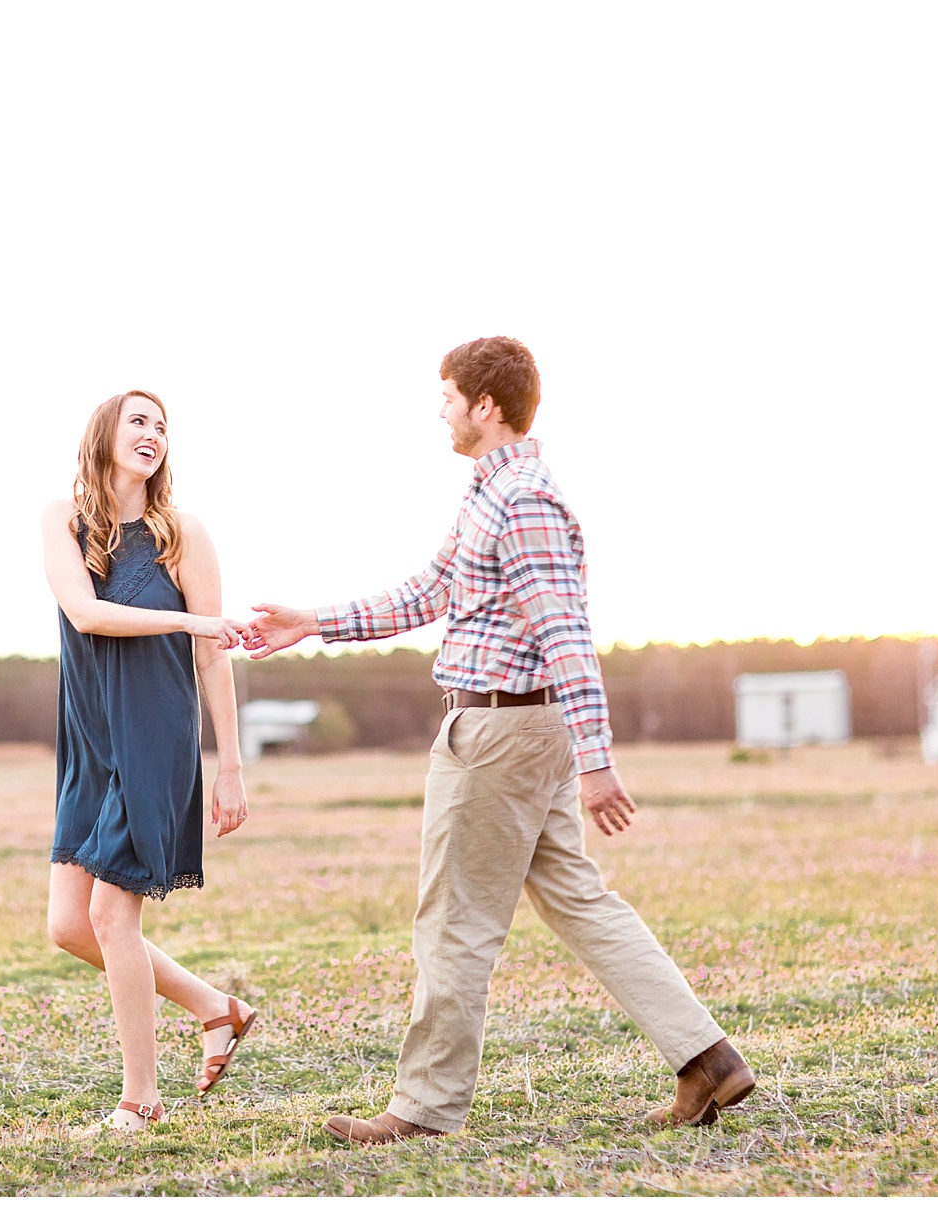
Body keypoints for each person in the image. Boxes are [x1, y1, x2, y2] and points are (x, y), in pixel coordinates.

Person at [246, 337, 755, 1145]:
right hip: (517, 727)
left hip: (498, 730)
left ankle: (422, 1108)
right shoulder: (490, 493)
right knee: (579, 899)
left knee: (453, 920)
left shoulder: (523, 499)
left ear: (487, 405)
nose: (440, 411)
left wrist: (598, 761)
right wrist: (315, 622)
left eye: (448, 397)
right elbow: (430, 591)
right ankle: (708, 1057)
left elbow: (567, 634)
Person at [40, 389, 261, 1133]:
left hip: (156, 735)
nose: (152, 433)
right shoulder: (63, 523)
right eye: (138, 420)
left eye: (162, 426)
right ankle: (214, 1005)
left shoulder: (183, 534)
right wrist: (192, 615)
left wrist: (229, 763)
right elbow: (87, 613)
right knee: (70, 925)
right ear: (104, 433)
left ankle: (141, 1098)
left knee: (110, 912)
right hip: (91, 740)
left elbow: (213, 657)